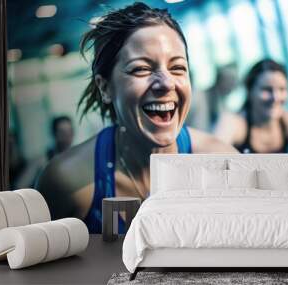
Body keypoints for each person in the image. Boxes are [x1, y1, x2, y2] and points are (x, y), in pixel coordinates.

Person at [37, 3, 237, 233]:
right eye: (141, 69)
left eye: (178, 68)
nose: (166, 83)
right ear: (105, 88)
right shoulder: (67, 181)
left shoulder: (222, 164)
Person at [214, 59, 288, 169]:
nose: (276, 97)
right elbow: (211, 162)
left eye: (282, 89)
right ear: (250, 91)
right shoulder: (234, 123)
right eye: (267, 89)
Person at [186, 63, 238, 131]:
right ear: (219, 78)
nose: (230, 84)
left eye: (233, 81)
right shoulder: (197, 97)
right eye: (228, 79)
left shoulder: (226, 111)